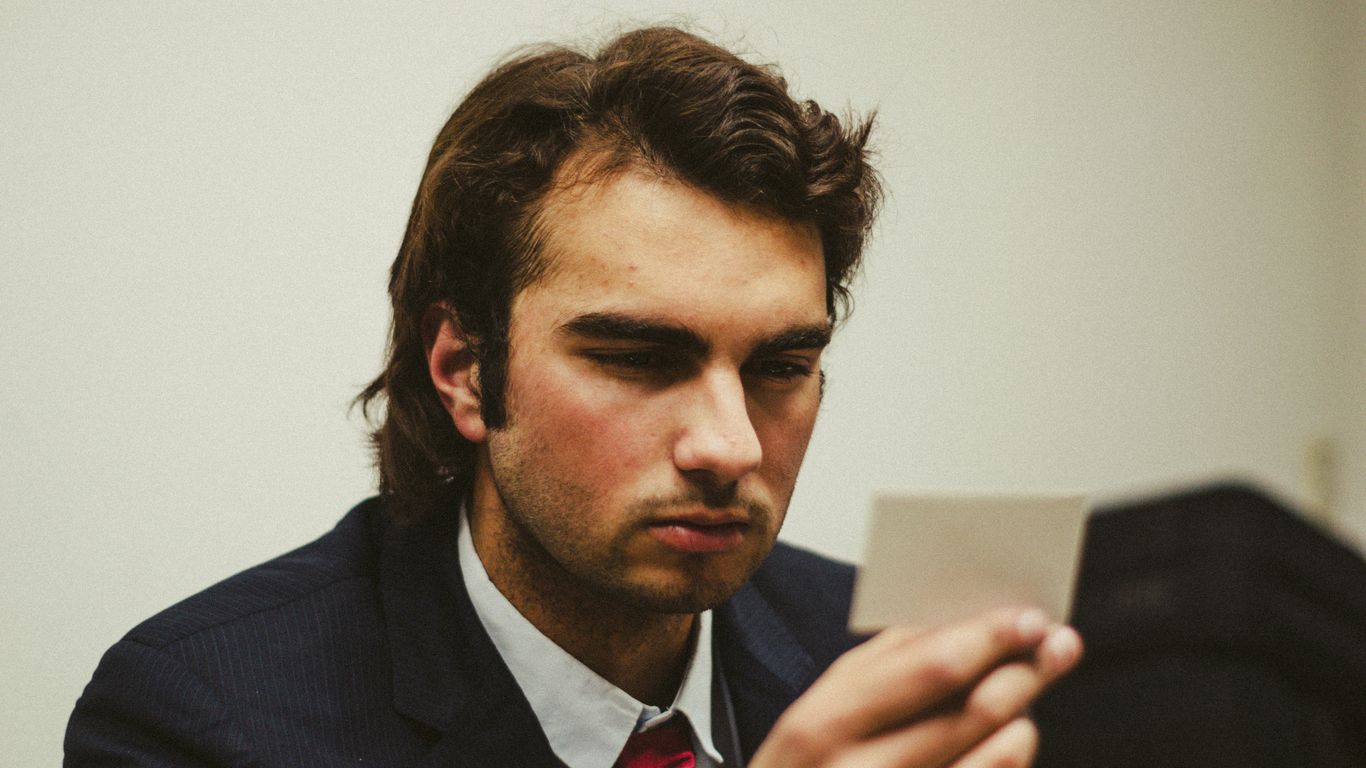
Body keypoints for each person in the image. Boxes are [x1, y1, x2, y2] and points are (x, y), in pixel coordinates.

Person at [65, 26, 1082, 767]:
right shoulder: (206, 718)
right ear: (464, 370)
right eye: (638, 358)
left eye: (779, 366)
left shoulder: (891, 670)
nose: (730, 446)